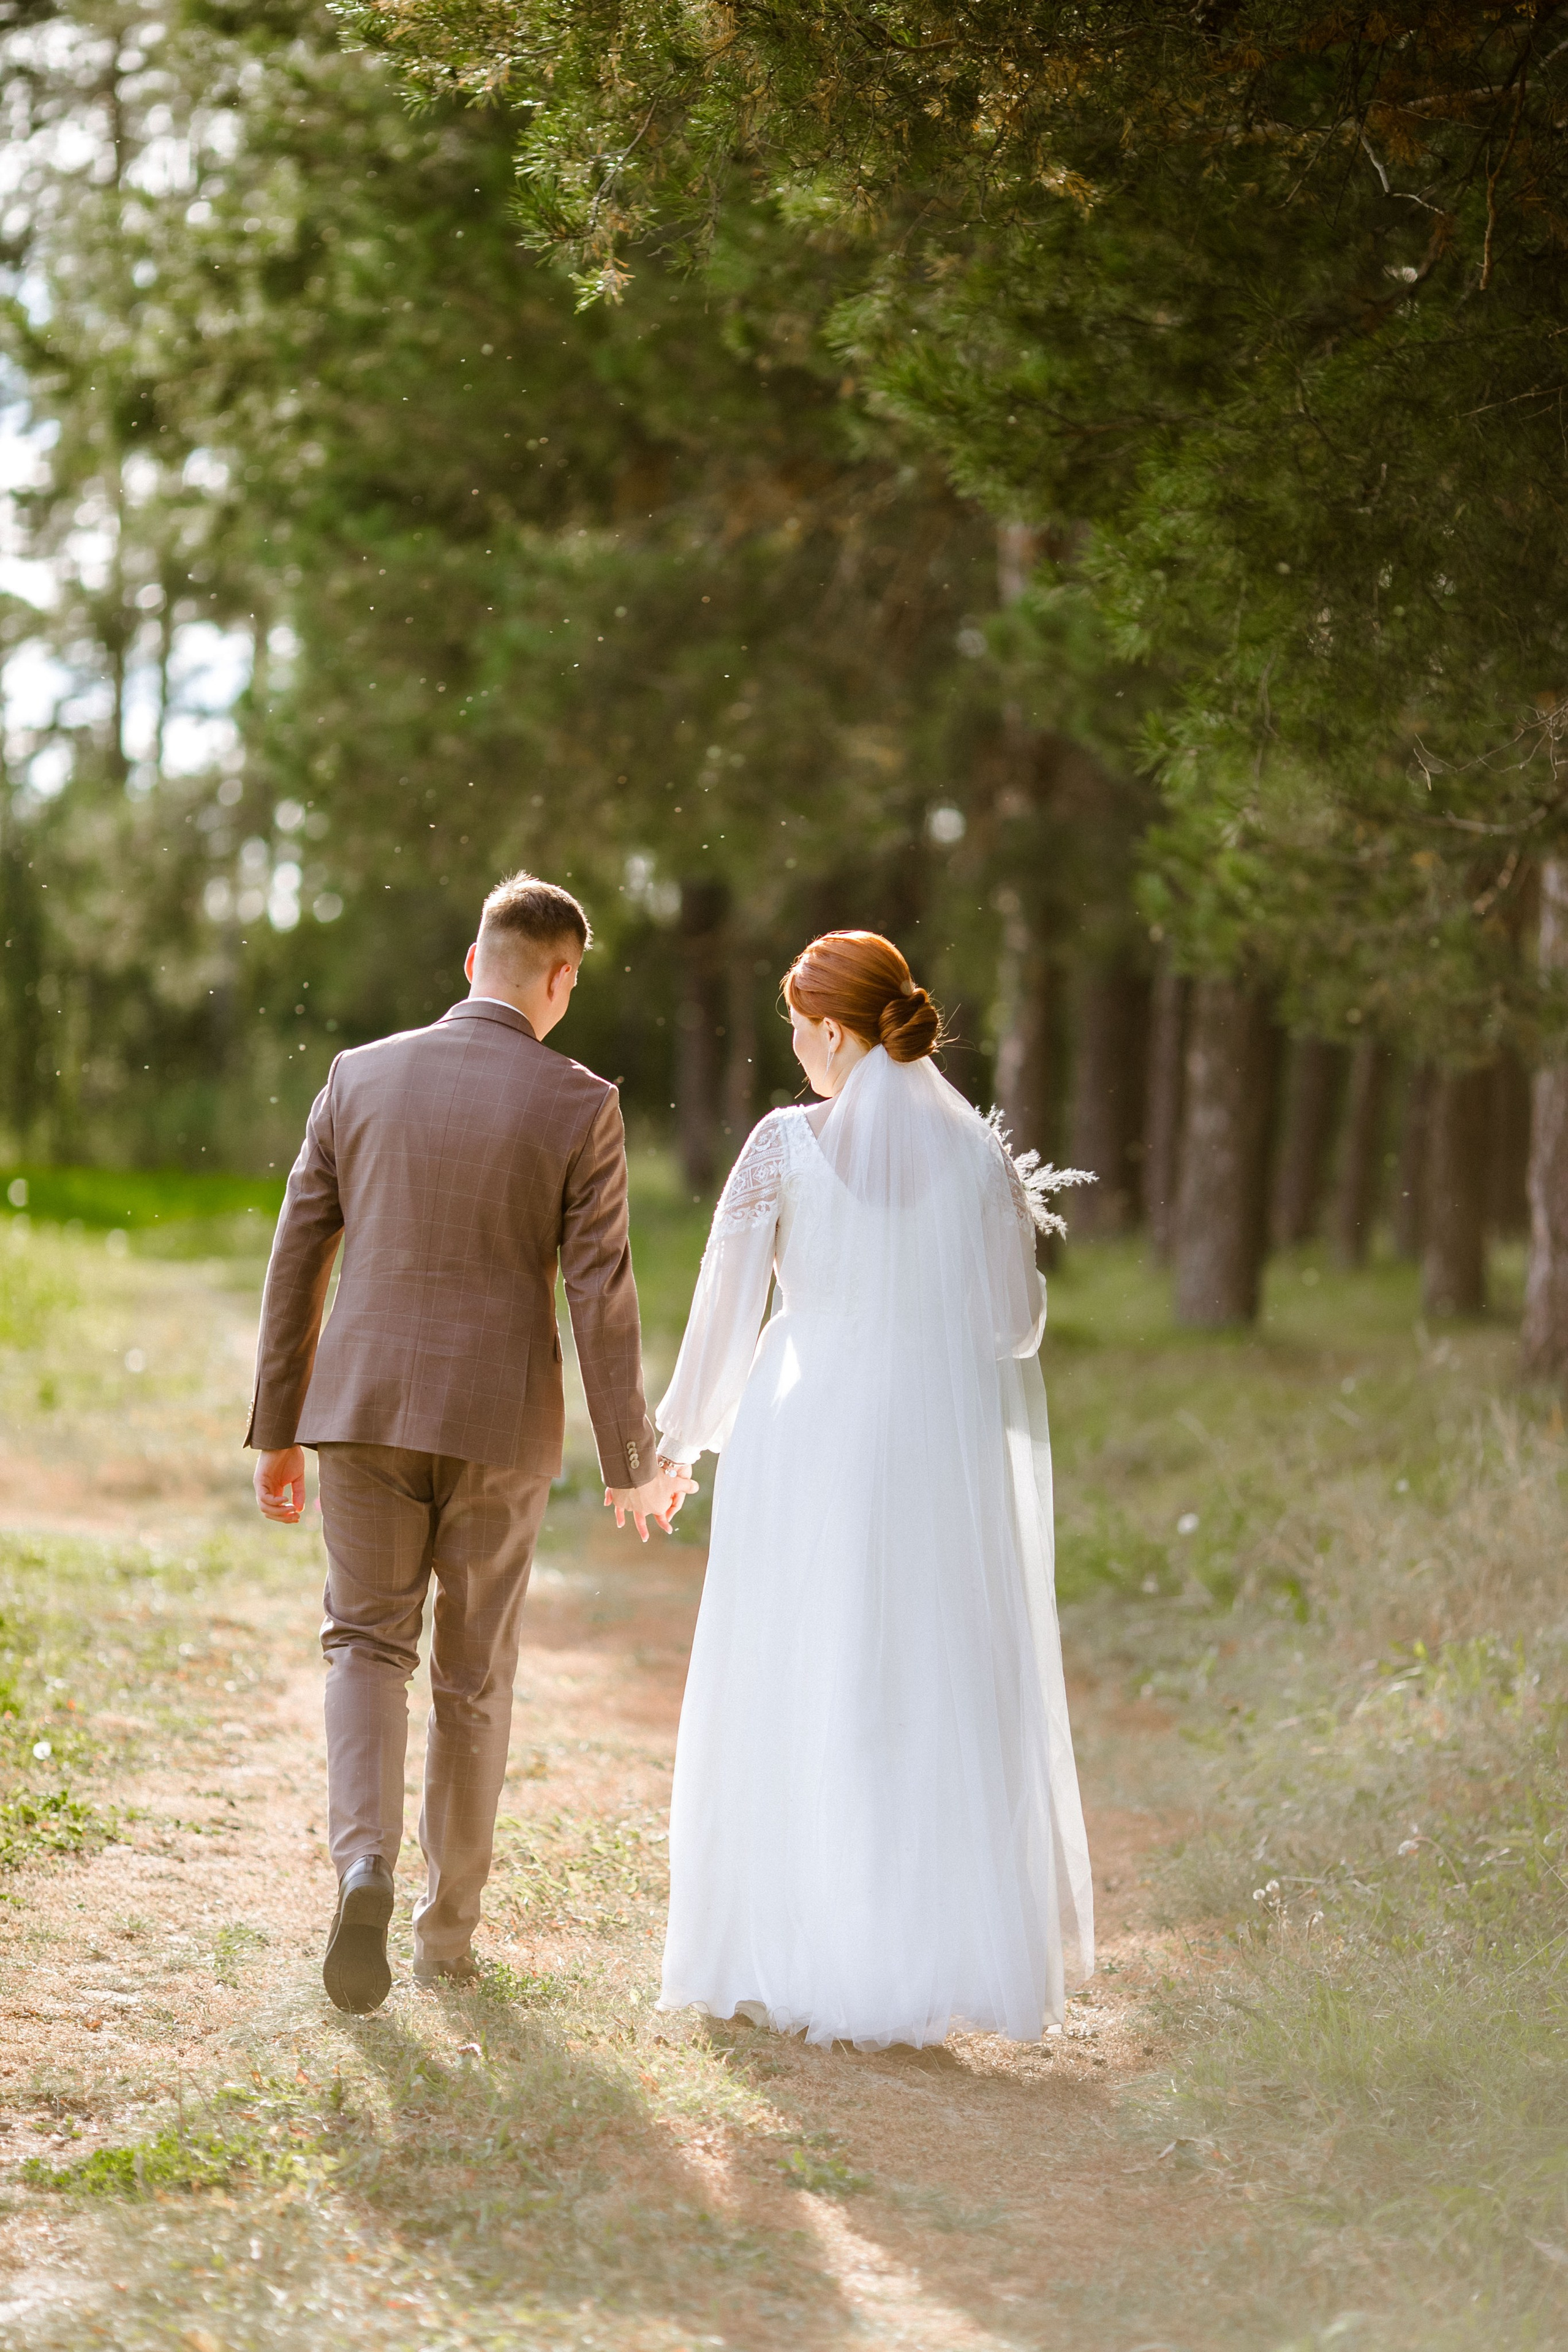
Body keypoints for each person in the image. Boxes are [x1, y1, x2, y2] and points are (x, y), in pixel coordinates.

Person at [247, 872, 692, 2014]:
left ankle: (363, 1869)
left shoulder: (359, 1075)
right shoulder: (580, 1102)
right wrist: (631, 1454)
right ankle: (448, 1933)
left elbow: (300, 1253)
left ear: (468, 962)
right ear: (559, 979)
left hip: (360, 1410)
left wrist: (278, 1430)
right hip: (500, 1423)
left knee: (363, 1644)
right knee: (474, 1675)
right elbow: (601, 1293)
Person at [654, 930, 1094, 2050]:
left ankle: (794, 1941)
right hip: (933, 1446)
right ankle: (912, 1953)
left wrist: (679, 1443)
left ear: (836, 1033)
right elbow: (1013, 1326)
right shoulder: (977, 1157)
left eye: (800, 1026)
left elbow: (727, 1309)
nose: (793, 1046)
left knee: (800, 1669)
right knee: (920, 1683)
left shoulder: (782, 1148)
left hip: (804, 1433)